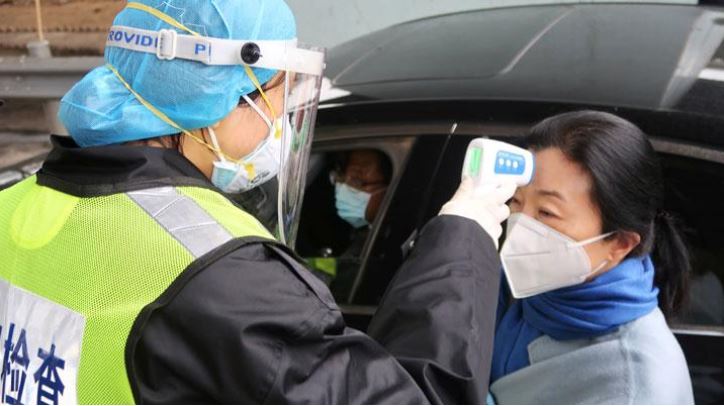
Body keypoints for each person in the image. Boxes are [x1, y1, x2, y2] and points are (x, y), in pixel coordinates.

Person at [0, 1, 515, 403]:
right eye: (275, 95)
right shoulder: (222, 277)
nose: (279, 122)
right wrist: (462, 238)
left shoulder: (15, 203)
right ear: (218, 99)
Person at [489, 111, 694, 404]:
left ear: (620, 243)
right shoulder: (518, 285)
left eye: (546, 212)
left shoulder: (633, 388)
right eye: (517, 201)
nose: (520, 226)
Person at [300, 149, 391, 294]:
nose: (343, 187)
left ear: (388, 188)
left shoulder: (386, 249)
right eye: (340, 176)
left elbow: (340, 272)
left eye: (356, 180)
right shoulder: (365, 233)